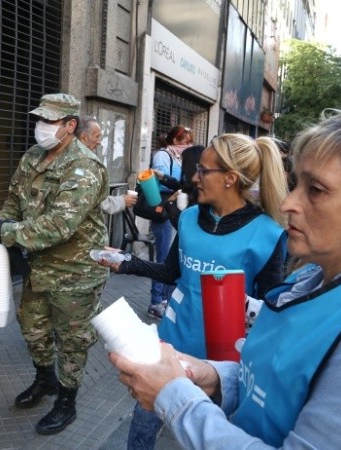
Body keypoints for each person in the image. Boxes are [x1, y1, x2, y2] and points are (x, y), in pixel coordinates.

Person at [109, 108, 341, 449]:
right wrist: (215, 378)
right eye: (297, 184)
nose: (289, 202)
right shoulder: (315, 277)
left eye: (316, 189)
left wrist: (173, 396)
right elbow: (273, 383)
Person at [99, 133, 289, 449]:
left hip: (223, 367)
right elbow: (172, 272)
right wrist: (127, 262)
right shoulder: (188, 218)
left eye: (203, 170)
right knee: (143, 426)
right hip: (169, 346)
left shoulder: (269, 233)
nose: (193, 177)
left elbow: (271, 311)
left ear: (230, 178)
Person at [0, 94, 110, 435]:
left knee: (72, 339)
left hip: (76, 271)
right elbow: (14, 200)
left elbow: (59, 225)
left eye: (50, 122)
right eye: (40, 120)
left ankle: (66, 402)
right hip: (39, 266)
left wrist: (7, 232)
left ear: (69, 126)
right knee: (32, 326)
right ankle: (45, 380)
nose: (42, 127)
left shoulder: (84, 166)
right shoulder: (32, 157)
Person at [143, 126, 191, 319]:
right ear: (175, 141)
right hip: (164, 209)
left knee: (173, 257)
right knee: (163, 256)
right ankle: (156, 301)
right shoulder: (163, 155)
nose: (187, 146)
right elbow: (160, 181)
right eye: (184, 142)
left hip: (177, 209)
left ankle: (167, 298)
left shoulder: (179, 157)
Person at [76, 116, 138, 213]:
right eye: (96, 137)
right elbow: (93, 200)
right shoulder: (82, 163)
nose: (99, 142)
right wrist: (121, 201)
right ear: (84, 138)